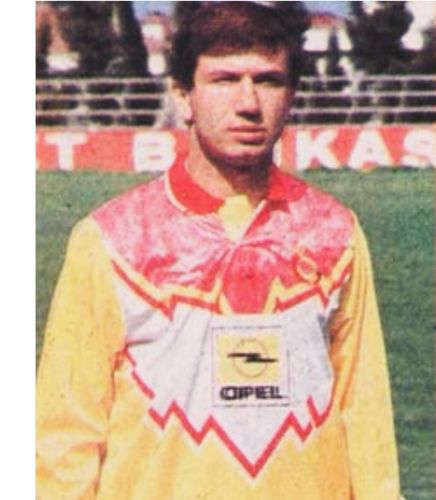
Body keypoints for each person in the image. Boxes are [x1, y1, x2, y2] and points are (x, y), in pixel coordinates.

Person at [36, 2, 404, 499]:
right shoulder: (109, 241)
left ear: (291, 97)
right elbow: (64, 439)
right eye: (224, 80)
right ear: (182, 96)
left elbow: (365, 415)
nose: (248, 103)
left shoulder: (335, 234)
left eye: (268, 81)